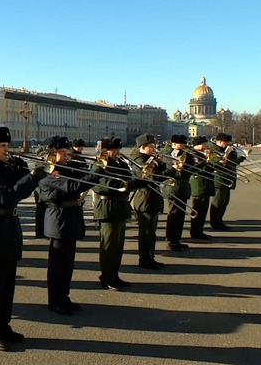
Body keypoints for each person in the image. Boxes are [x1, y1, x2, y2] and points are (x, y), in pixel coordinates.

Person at [0, 126, 47, 351]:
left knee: (7, 284)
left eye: (7, 145)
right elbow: (6, 195)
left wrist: (26, 169)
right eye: (2, 146)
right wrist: (32, 177)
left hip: (7, 228)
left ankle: (3, 325)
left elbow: (19, 181)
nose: (7, 150)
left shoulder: (2, 166)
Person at [38, 136, 99, 315]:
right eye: (62, 153)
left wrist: (88, 168)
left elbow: (78, 177)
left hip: (70, 218)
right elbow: (73, 186)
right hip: (59, 220)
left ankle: (64, 297)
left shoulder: (65, 167)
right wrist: (96, 172)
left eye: (66, 152)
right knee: (58, 266)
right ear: (51, 154)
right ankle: (55, 300)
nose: (66, 155)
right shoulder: (48, 171)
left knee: (67, 264)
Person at [92, 137, 136, 290]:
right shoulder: (99, 165)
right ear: (105, 151)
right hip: (108, 207)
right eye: (114, 150)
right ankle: (106, 276)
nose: (117, 153)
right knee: (109, 246)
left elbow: (129, 178)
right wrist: (125, 185)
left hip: (120, 207)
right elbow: (101, 186)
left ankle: (114, 275)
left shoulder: (121, 163)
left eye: (118, 150)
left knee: (118, 246)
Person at [130, 134, 177, 270]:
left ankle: (150, 257)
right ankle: (145, 259)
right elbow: (151, 177)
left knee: (151, 232)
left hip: (152, 198)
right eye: (151, 147)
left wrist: (161, 163)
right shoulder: (138, 159)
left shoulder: (149, 159)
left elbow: (157, 172)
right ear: (142, 147)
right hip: (145, 199)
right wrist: (169, 171)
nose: (154, 149)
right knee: (146, 233)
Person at [162, 135, 194, 251]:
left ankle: (177, 239)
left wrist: (185, 169)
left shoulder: (187, 155)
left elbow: (191, 170)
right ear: (174, 144)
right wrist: (175, 170)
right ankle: (171, 240)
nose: (182, 147)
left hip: (183, 187)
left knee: (180, 216)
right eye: (180, 144)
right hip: (173, 187)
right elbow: (164, 172)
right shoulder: (166, 155)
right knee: (174, 215)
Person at [210, 133, 245, 231]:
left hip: (227, 179)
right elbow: (216, 163)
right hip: (220, 179)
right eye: (227, 142)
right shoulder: (214, 150)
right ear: (220, 142)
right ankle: (215, 222)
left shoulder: (226, 150)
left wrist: (240, 157)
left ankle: (219, 221)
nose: (229, 144)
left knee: (224, 202)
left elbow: (233, 163)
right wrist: (223, 160)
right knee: (218, 203)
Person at [189, 136, 215, 241]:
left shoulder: (202, 154)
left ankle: (199, 231)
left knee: (203, 211)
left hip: (205, 185)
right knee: (198, 210)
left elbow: (208, 168)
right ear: (198, 144)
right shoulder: (193, 155)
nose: (205, 146)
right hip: (198, 185)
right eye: (204, 144)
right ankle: (195, 232)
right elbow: (196, 169)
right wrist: (206, 162)